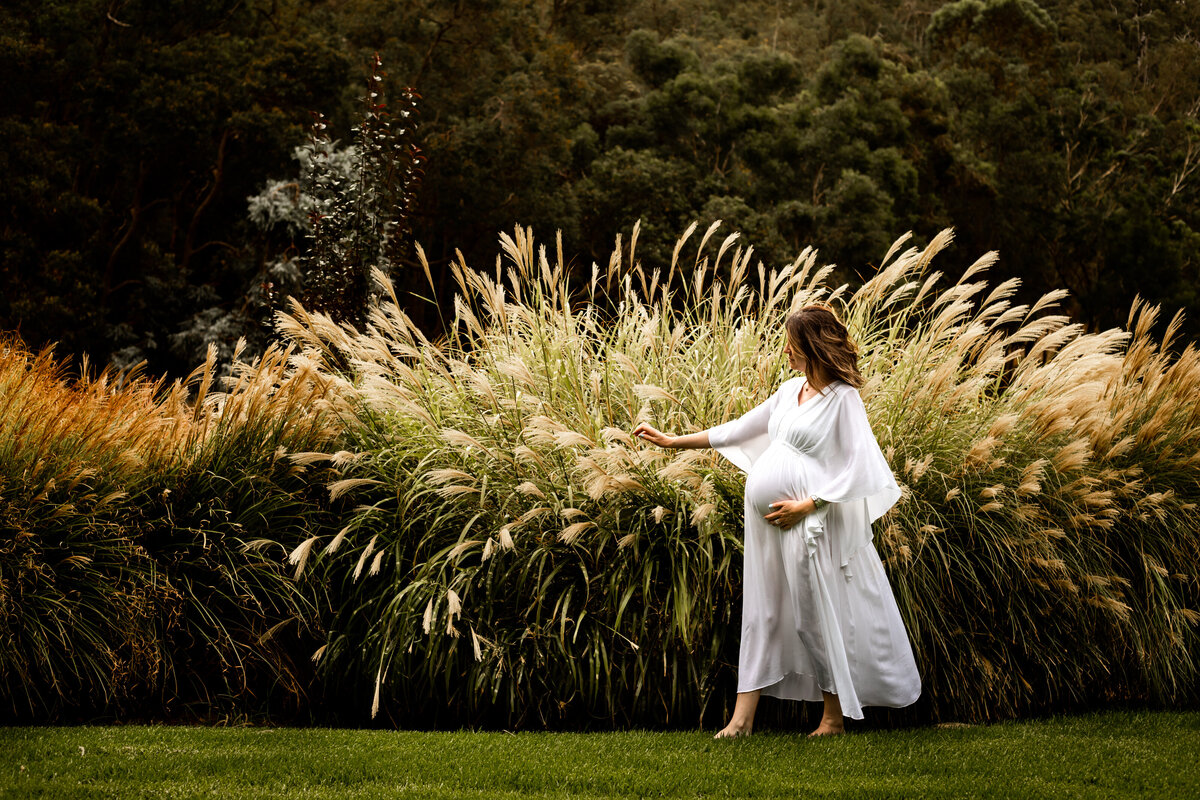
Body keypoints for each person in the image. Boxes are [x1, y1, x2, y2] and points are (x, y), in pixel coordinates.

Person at [632, 305, 921, 738]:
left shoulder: (844, 398)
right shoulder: (790, 391)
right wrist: (674, 442)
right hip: (767, 521)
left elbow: (864, 466)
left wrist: (811, 504)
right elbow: (738, 430)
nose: (785, 349)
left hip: (809, 524)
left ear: (811, 346)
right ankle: (742, 720)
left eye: (792, 342)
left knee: (812, 612)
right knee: (763, 610)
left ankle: (832, 718)